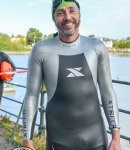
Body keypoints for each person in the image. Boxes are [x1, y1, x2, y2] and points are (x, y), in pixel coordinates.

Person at [23, 0, 121, 149]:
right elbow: (31, 96)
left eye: (71, 10)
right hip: (59, 142)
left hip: (97, 140)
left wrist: (116, 136)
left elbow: (107, 91)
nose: (67, 17)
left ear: (79, 14)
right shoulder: (40, 50)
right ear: (53, 18)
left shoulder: (96, 47)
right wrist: (27, 141)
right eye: (60, 13)